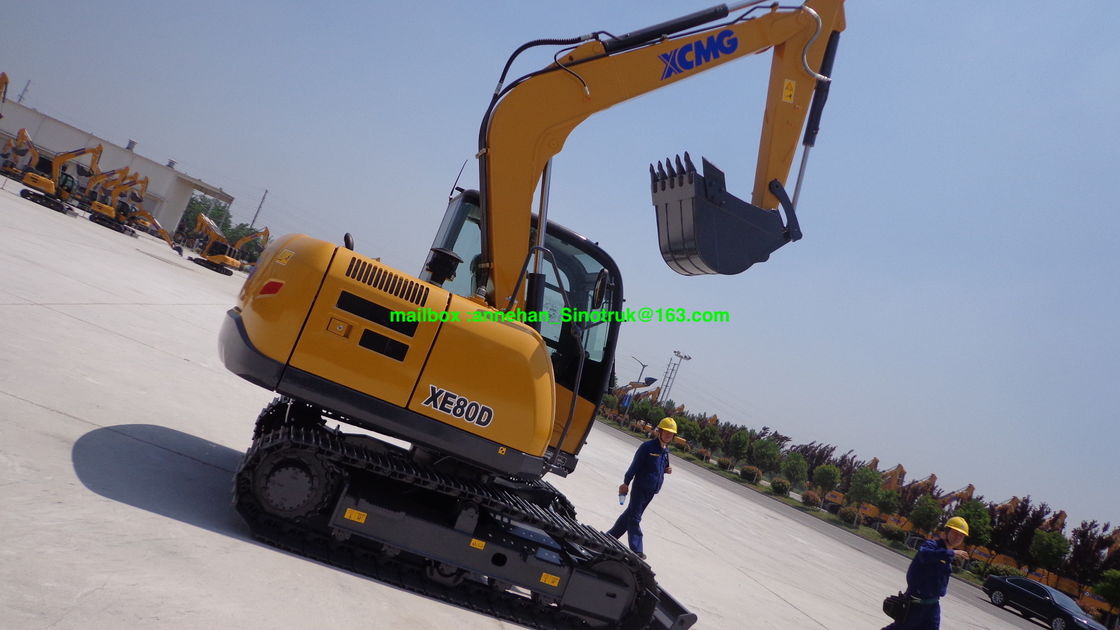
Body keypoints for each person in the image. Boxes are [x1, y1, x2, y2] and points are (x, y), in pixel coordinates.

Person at [882, 516, 971, 630]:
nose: (958, 537)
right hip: (915, 604)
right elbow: (924, 554)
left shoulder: (948, 555)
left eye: (961, 535)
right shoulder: (932, 545)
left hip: (932, 607)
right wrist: (951, 553)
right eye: (955, 533)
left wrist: (950, 554)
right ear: (946, 532)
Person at [607, 417, 676, 559]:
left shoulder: (665, 450)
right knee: (634, 518)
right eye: (667, 432)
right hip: (640, 488)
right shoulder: (647, 447)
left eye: (672, 434)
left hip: (652, 491)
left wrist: (665, 470)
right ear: (660, 431)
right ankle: (637, 549)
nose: (669, 435)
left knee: (629, 515)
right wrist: (626, 483)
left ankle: (609, 537)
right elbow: (635, 466)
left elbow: (656, 468)